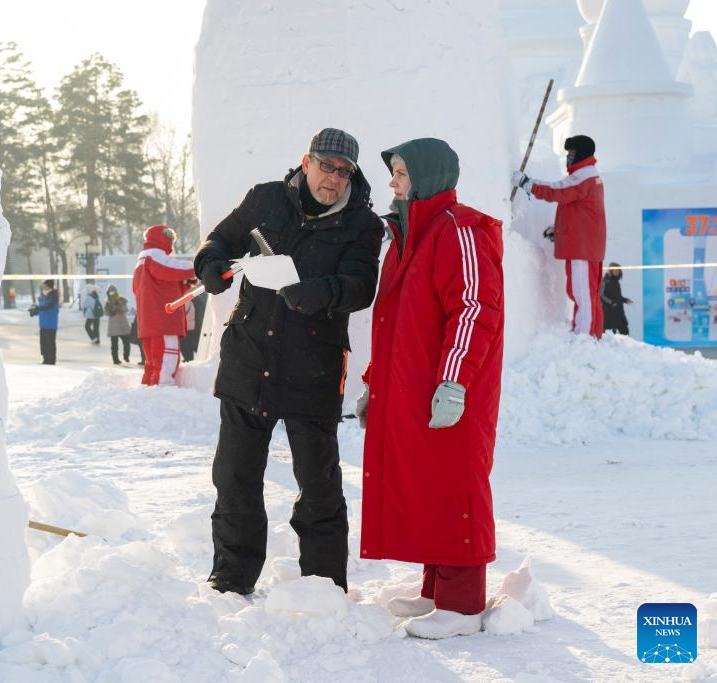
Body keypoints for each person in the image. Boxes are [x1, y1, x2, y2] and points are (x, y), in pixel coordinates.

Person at [194, 128, 382, 595]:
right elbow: (218, 241)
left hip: (312, 369)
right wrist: (211, 267)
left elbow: (362, 286)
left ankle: (322, 584)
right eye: (326, 166)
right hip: (248, 359)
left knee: (318, 487)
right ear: (306, 161)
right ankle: (231, 578)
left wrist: (319, 292)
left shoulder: (363, 224)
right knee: (235, 478)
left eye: (344, 172)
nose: (334, 179)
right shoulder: (266, 199)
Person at [357, 138, 504, 639]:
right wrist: (374, 385)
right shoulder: (408, 234)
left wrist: (454, 382)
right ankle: (436, 592)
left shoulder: (459, 230)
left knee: (455, 484)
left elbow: (473, 309)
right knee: (428, 484)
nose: (393, 181)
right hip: (415, 390)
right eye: (394, 172)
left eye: (400, 172)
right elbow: (396, 323)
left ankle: (462, 608)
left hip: (449, 389)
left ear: (428, 175)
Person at [513, 135, 606, 339]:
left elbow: (558, 192)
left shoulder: (583, 176)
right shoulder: (589, 176)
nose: (569, 158)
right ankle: (591, 333)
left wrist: (527, 184)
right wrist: (560, 230)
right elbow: (581, 212)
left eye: (572, 154)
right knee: (584, 292)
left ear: (581, 154)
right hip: (586, 243)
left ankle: (585, 337)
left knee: (582, 294)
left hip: (583, 247)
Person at [133, 225, 195, 385]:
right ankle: (162, 393)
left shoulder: (142, 261)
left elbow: (162, 285)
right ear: (162, 238)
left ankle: (147, 393)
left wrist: (186, 283)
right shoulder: (153, 255)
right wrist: (198, 267)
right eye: (170, 238)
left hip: (150, 322)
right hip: (163, 321)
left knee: (153, 364)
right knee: (166, 361)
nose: (171, 243)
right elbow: (169, 268)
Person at [27, 279, 59, 365]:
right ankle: (45, 360)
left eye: (45, 286)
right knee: (43, 344)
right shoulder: (44, 296)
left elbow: (47, 307)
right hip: (43, 324)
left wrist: (38, 308)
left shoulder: (53, 296)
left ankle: (51, 361)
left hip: (50, 324)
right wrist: (35, 312)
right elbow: (42, 308)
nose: (43, 287)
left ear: (49, 286)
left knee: (50, 343)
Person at [104, 284, 132, 364]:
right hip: (113, 327)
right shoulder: (107, 302)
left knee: (126, 342)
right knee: (114, 344)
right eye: (110, 292)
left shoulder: (121, 299)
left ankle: (126, 356)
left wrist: (119, 306)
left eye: (113, 291)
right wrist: (111, 309)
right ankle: (115, 359)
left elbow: (125, 309)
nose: (112, 293)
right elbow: (106, 313)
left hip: (122, 325)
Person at [601, 262, 631, 335]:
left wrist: (624, 300)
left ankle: (627, 346)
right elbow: (601, 295)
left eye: (618, 270)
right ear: (611, 270)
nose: (617, 272)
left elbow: (617, 296)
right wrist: (611, 302)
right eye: (615, 270)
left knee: (625, 331)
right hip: (609, 312)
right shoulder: (605, 281)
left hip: (619, 311)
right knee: (609, 334)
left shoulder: (616, 282)